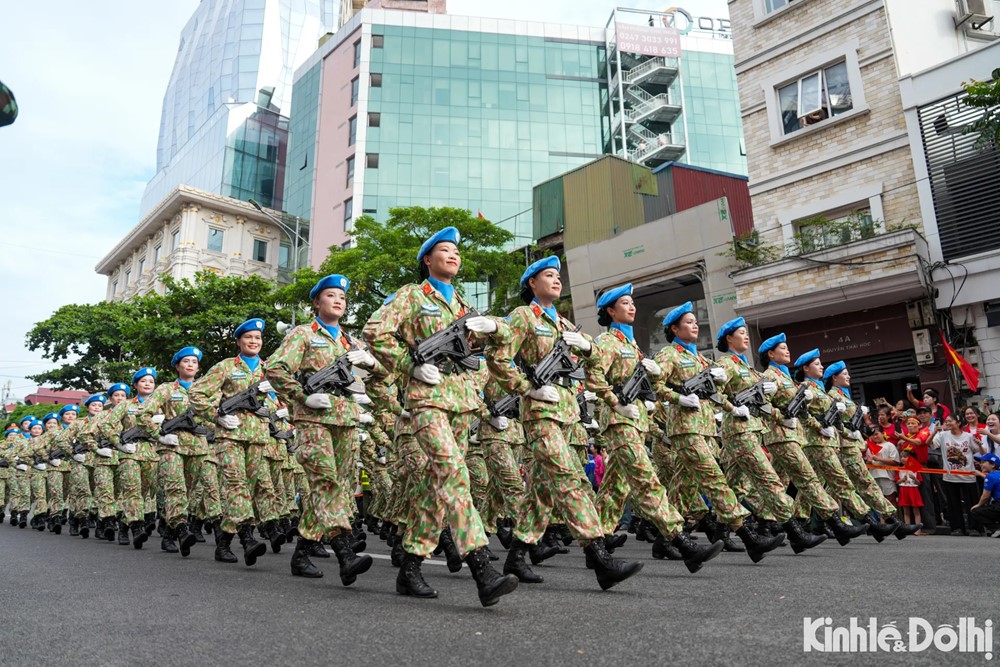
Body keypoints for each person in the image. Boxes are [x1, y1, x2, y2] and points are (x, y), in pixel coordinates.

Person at [366, 228, 519, 606]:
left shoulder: (463, 307)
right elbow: (375, 332)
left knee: (436, 489)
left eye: (455, 251)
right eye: (444, 250)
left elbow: (504, 344)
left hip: (461, 402)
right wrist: (409, 367)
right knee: (454, 473)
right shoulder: (413, 295)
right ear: (427, 260)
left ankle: (411, 567)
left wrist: (496, 327)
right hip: (428, 399)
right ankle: (481, 566)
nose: (452, 255)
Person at [484, 255, 641, 591]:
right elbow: (497, 357)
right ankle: (599, 557)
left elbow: (595, 360)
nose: (557, 281)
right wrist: (528, 388)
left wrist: (586, 347)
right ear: (532, 284)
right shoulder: (524, 317)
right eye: (549, 276)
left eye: (558, 276)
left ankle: (517, 556)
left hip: (567, 414)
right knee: (572, 480)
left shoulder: (566, 325)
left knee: (542, 492)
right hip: (540, 414)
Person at [585, 284, 723, 569]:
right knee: (646, 480)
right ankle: (681, 541)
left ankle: (595, 544)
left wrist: (648, 396)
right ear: (611, 311)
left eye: (632, 302)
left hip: (635, 419)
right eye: (625, 303)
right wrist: (614, 401)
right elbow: (594, 376)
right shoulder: (608, 343)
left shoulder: (631, 345)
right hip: (619, 419)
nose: (632, 307)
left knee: (614, 486)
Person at [266, 275, 382, 585]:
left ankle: (301, 553)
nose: (338, 300)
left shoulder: (351, 342)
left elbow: (382, 375)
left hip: (345, 419)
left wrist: (371, 363)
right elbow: (275, 368)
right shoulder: (303, 335)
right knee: (326, 482)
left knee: (335, 487)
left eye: (342, 297)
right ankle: (345, 554)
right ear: (317, 303)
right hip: (313, 419)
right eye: (330, 296)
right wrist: (302, 396)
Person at [654, 302, 783, 561]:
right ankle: (749, 537)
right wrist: (677, 397)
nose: (694, 325)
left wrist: (731, 407)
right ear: (674, 328)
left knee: (683, 486)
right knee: (715, 479)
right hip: (684, 428)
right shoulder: (670, 355)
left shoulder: (701, 358)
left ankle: (664, 540)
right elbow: (654, 384)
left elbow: (713, 392)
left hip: (703, 428)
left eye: (694, 321)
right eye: (688, 322)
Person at [715, 317, 825, 553]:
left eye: (746, 333)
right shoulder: (726, 364)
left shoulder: (747, 367)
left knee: (734, 484)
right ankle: (794, 532)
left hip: (753, 429)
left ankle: (720, 530)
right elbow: (711, 393)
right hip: (737, 430)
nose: (746, 336)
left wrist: (775, 410)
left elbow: (763, 404)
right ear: (729, 338)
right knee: (768, 478)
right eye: (741, 333)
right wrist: (731, 407)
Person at [190, 319, 274, 567]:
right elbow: (197, 393)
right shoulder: (226, 367)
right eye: (248, 337)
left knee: (244, 490)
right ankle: (248, 537)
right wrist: (216, 415)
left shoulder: (268, 369)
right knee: (236, 485)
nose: (253, 341)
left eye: (257, 338)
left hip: (257, 437)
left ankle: (223, 543)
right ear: (238, 341)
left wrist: (268, 407)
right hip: (230, 437)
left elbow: (282, 402)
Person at [793, 349, 888, 540]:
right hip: (815, 441)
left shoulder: (819, 389)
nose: (821, 366)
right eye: (817, 364)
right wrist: (819, 427)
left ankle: (804, 523)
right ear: (805, 368)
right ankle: (869, 521)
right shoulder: (806, 388)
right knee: (834, 482)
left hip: (828, 442)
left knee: (815, 485)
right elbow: (800, 412)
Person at [824, 360, 917, 540]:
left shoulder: (845, 396)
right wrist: (847, 433)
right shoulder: (831, 397)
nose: (848, 376)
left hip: (851, 447)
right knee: (851, 485)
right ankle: (884, 523)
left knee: (849, 486)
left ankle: (889, 522)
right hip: (842, 447)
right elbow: (831, 423)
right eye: (844, 374)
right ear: (834, 378)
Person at [139, 346, 207, 558]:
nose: (190, 365)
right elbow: (143, 414)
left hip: (197, 447)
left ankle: (169, 532)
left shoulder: (204, 389)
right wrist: (158, 434)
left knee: (188, 492)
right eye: (186, 361)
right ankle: (182, 531)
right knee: (175, 489)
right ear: (177, 366)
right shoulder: (167, 389)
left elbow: (212, 415)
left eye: (194, 362)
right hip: (172, 446)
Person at [100, 367, 161, 548]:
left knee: (143, 494)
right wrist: (118, 443)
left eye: (150, 382)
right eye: (143, 381)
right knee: (132, 490)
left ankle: (124, 525)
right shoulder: (126, 405)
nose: (147, 384)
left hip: (151, 453)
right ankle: (137, 528)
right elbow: (106, 424)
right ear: (135, 385)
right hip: (130, 453)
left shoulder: (160, 404)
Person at [933, 413, 983, 536]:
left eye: (950, 421)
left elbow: (978, 451)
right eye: (946, 421)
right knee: (953, 503)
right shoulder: (943, 435)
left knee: (972, 502)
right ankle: (957, 528)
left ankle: (974, 528)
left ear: (958, 422)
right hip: (950, 476)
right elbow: (932, 444)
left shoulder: (969, 436)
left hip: (968, 475)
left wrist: (980, 444)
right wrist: (934, 432)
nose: (948, 423)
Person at [896, 414, 936, 533]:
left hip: (919, 467)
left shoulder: (923, 432)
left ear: (919, 425)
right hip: (907, 469)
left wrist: (904, 438)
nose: (911, 425)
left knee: (924, 497)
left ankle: (928, 527)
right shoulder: (905, 437)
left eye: (913, 423)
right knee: (909, 499)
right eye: (908, 423)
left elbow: (918, 443)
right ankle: (911, 527)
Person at [865, 426, 899, 505]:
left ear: (883, 433)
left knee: (890, 499)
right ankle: (882, 518)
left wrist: (879, 459)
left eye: (877, 434)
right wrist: (869, 462)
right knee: (879, 500)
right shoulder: (870, 448)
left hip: (887, 476)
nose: (875, 436)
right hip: (874, 476)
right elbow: (869, 462)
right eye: (873, 435)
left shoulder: (890, 445)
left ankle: (894, 516)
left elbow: (895, 461)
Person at [970, 452, 1000, 536]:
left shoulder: (990, 477)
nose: (980, 464)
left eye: (983, 462)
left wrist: (978, 505)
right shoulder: (995, 475)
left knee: (975, 511)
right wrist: (981, 475)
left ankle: (996, 528)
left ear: (993, 465)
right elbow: (994, 480)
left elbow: (985, 497)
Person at [897, 445, 924, 527]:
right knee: (906, 511)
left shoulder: (915, 468)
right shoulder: (899, 469)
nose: (902, 459)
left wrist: (914, 479)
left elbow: (919, 482)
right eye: (901, 457)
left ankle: (918, 528)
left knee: (916, 510)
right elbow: (897, 481)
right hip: (903, 490)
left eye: (905, 457)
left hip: (913, 490)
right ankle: (907, 527)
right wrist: (902, 480)